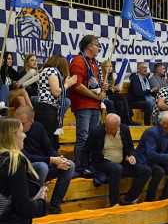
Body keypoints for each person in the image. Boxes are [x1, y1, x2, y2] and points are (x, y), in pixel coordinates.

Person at [15, 106, 75, 214]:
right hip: (26, 168)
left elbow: (48, 147)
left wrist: (59, 159)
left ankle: (54, 206)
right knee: (42, 166)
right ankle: (34, 206)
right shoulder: (14, 132)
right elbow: (25, 157)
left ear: (31, 121)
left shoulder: (38, 127)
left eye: (22, 123)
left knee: (69, 165)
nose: (19, 126)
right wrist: (51, 160)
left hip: (45, 164)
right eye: (17, 122)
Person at [86, 114, 151, 206]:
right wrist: (85, 167)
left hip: (122, 162)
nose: (109, 131)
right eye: (107, 128)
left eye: (112, 129)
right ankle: (114, 202)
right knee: (117, 168)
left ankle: (129, 198)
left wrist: (130, 156)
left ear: (118, 126)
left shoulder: (124, 129)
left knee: (145, 170)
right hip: (102, 163)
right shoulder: (97, 131)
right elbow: (86, 150)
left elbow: (130, 147)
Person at [69, 35, 107, 173]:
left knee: (93, 138)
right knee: (83, 136)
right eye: (97, 44)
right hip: (83, 105)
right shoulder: (78, 61)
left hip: (95, 106)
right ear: (89, 46)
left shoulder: (96, 63)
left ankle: (90, 164)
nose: (99, 47)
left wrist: (102, 87)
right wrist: (96, 96)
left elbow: (94, 84)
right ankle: (80, 166)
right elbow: (77, 86)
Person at [135, 111, 168, 201]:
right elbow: (150, 154)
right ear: (164, 124)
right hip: (145, 160)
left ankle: (166, 197)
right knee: (159, 171)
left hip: (158, 160)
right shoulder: (152, 133)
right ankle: (150, 199)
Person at [35, 55, 77, 150]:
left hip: (44, 107)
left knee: (47, 139)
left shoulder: (45, 70)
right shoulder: (52, 70)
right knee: (49, 139)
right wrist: (67, 84)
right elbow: (56, 92)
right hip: (47, 108)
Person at [101, 60, 132, 125]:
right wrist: (113, 89)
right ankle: (128, 120)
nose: (110, 68)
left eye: (111, 66)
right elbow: (103, 91)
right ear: (103, 67)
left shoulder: (111, 78)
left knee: (120, 102)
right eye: (107, 66)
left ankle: (122, 121)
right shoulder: (101, 77)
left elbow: (113, 91)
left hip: (111, 96)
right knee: (123, 97)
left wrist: (116, 89)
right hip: (104, 97)